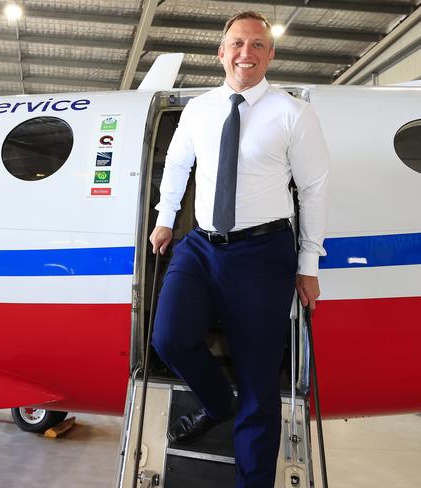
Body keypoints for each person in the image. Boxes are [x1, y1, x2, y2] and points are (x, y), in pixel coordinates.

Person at [149, 11, 330, 488]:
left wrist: (308, 264)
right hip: (201, 246)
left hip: (263, 252)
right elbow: (177, 166)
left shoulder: (292, 112)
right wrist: (166, 219)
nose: (245, 53)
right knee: (168, 338)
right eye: (236, 43)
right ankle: (216, 403)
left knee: (258, 380)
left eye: (257, 45)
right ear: (221, 52)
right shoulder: (199, 108)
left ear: (270, 54)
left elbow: (314, 189)